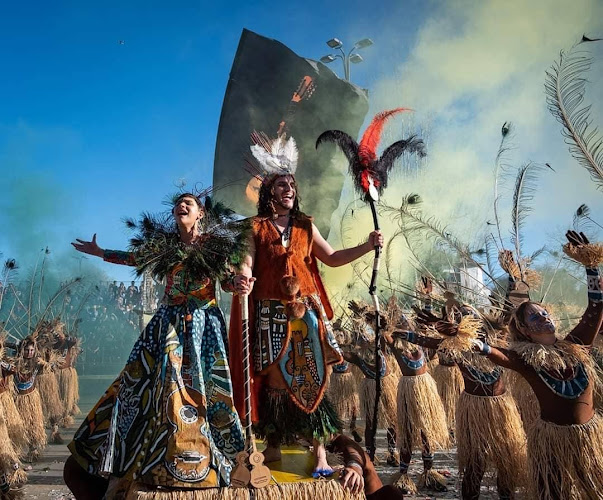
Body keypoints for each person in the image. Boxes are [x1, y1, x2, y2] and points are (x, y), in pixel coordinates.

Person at [64, 192, 247, 499]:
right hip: (167, 324)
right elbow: (134, 258)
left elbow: (227, 280)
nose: (182, 205)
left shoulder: (215, 247)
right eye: (179, 203)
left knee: (208, 391)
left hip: (204, 324)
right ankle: (132, 460)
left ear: (201, 213)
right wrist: (100, 252)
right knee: (141, 385)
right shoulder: (166, 248)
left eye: (189, 202)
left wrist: (239, 284)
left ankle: (218, 460)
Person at [231, 133, 384, 476]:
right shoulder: (254, 227)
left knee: (311, 378)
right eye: (282, 183)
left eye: (292, 184)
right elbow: (246, 261)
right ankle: (271, 448)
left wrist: (366, 245)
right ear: (269, 190)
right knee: (273, 381)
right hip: (269, 313)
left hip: (306, 312)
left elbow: (331, 257)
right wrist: (242, 278)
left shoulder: (305, 224)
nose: (289, 188)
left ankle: (320, 455)